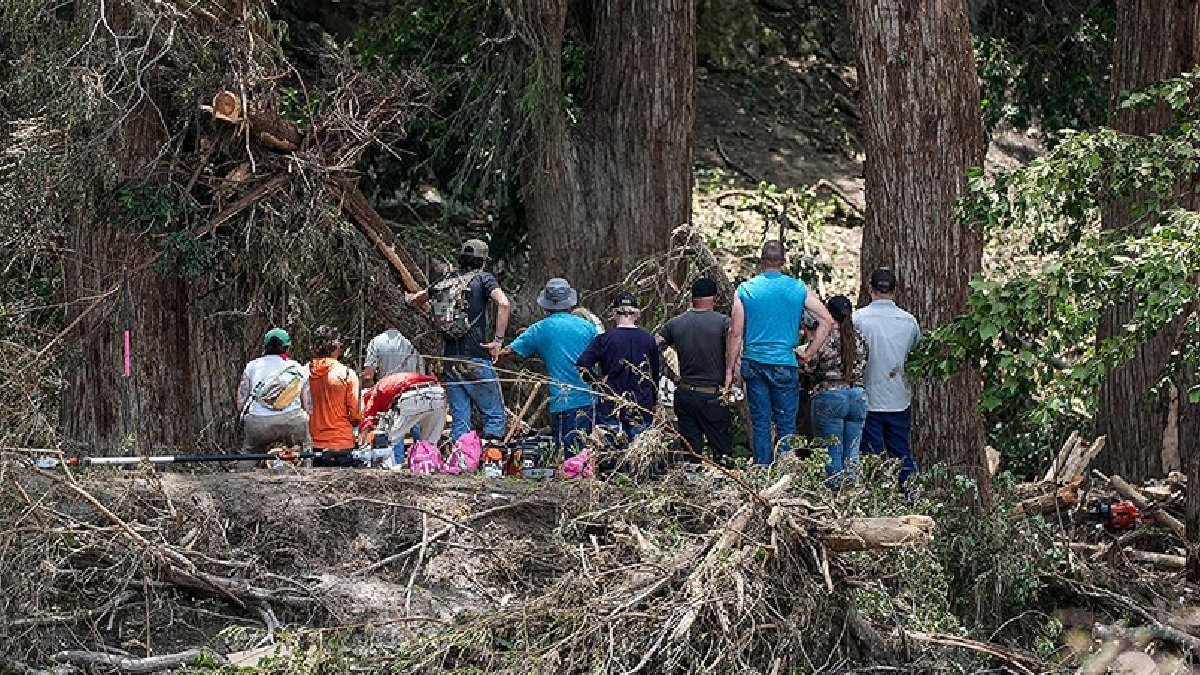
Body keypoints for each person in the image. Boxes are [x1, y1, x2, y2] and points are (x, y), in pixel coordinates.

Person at [724, 241, 834, 465]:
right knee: (786, 423)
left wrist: (730, 369)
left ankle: (763, 471)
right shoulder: (798, 289)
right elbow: (827, 320)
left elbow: (735, 332)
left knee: (761, 422)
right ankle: (785, 472)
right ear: (784, 262)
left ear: (761, 261)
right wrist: (810, 352)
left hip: (754, 362)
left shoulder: (745, 289)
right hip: (785, 361)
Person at [405, 239, 510, 442]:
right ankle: (492, 462)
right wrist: (498, 341)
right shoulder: (484, 279)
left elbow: (417, 299)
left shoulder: (446, 280)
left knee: (460, 418)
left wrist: (407, 298)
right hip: (476, 358)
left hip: (449, 360)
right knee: (494, 415)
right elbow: (504, 304)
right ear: (483, 262)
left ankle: (461, 462)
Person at [502, 278, 599, 458]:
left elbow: (510, 352)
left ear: (545, 304)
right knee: (585, 454)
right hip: (589, 399)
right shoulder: (588, 327)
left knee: (565, 455)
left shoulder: (539, 329)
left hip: (562, 402)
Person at [853, 267, 921, 484]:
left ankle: (874, 495)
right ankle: (910, 492)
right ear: (895, 290)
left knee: (870, 455)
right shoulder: (908, 322)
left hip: (868, 396)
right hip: (898, 397)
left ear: (870, 289)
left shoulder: (858, 319)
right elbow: (913, 352)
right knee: (901, 452)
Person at [656, 278, 734, 467]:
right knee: (722, 453)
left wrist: (670, 374)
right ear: (714, 299)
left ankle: (692, 487)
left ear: (693, 298)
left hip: (684, 393)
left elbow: (653, 345)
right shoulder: (723, 323)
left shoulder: (675, 323)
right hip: (712, 396)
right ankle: (722, 490)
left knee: (691, 453)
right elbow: (736, 343)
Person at [802, 295, 868, 485]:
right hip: (857, 395)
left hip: (829, 396)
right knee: (852, 452)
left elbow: (810, 365)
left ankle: (834, 495)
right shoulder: (860, 338)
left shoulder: (824, 338)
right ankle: (853, 493)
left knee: (831, 450)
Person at [577, 290, 661, 439]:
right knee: (638, 452)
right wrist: (654, 401)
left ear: (615, 313)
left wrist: (596, 383)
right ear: (636, 314)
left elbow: (582, 364)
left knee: (612, 450)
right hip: (641, 404)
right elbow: (654, 374)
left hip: (612, 402)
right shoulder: (648, 340)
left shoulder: (605, 339)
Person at [238, 328, 311, 453]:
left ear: (265, 347)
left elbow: (240, 402)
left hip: (259, 423)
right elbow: (308, 407)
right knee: (304, 449)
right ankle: (305, 468)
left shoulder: (252, 366)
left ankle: (243, 469)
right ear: (287, 348)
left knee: (249, 452)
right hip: (292, 422)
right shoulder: (297, 368)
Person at [360, 371, 447, 469]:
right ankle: (429, 467)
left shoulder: (371, 395)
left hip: (412, 395)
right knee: (429, 443)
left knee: (387, 441)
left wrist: (361, 444)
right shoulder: (386, 383)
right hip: (437, 392)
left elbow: (367, 421)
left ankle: (386, 470)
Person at [307, 325, 362, 467]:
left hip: (313, 443)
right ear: (336, 347)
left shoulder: (304, 372)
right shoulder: (347, 374)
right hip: (341, 442)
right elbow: (355, 415)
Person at [362, 323, 423, 388]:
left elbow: (368, 377)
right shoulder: (416, 341)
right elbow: (421, 373)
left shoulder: (376, 341)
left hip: (387, 391)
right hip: (411, 391)